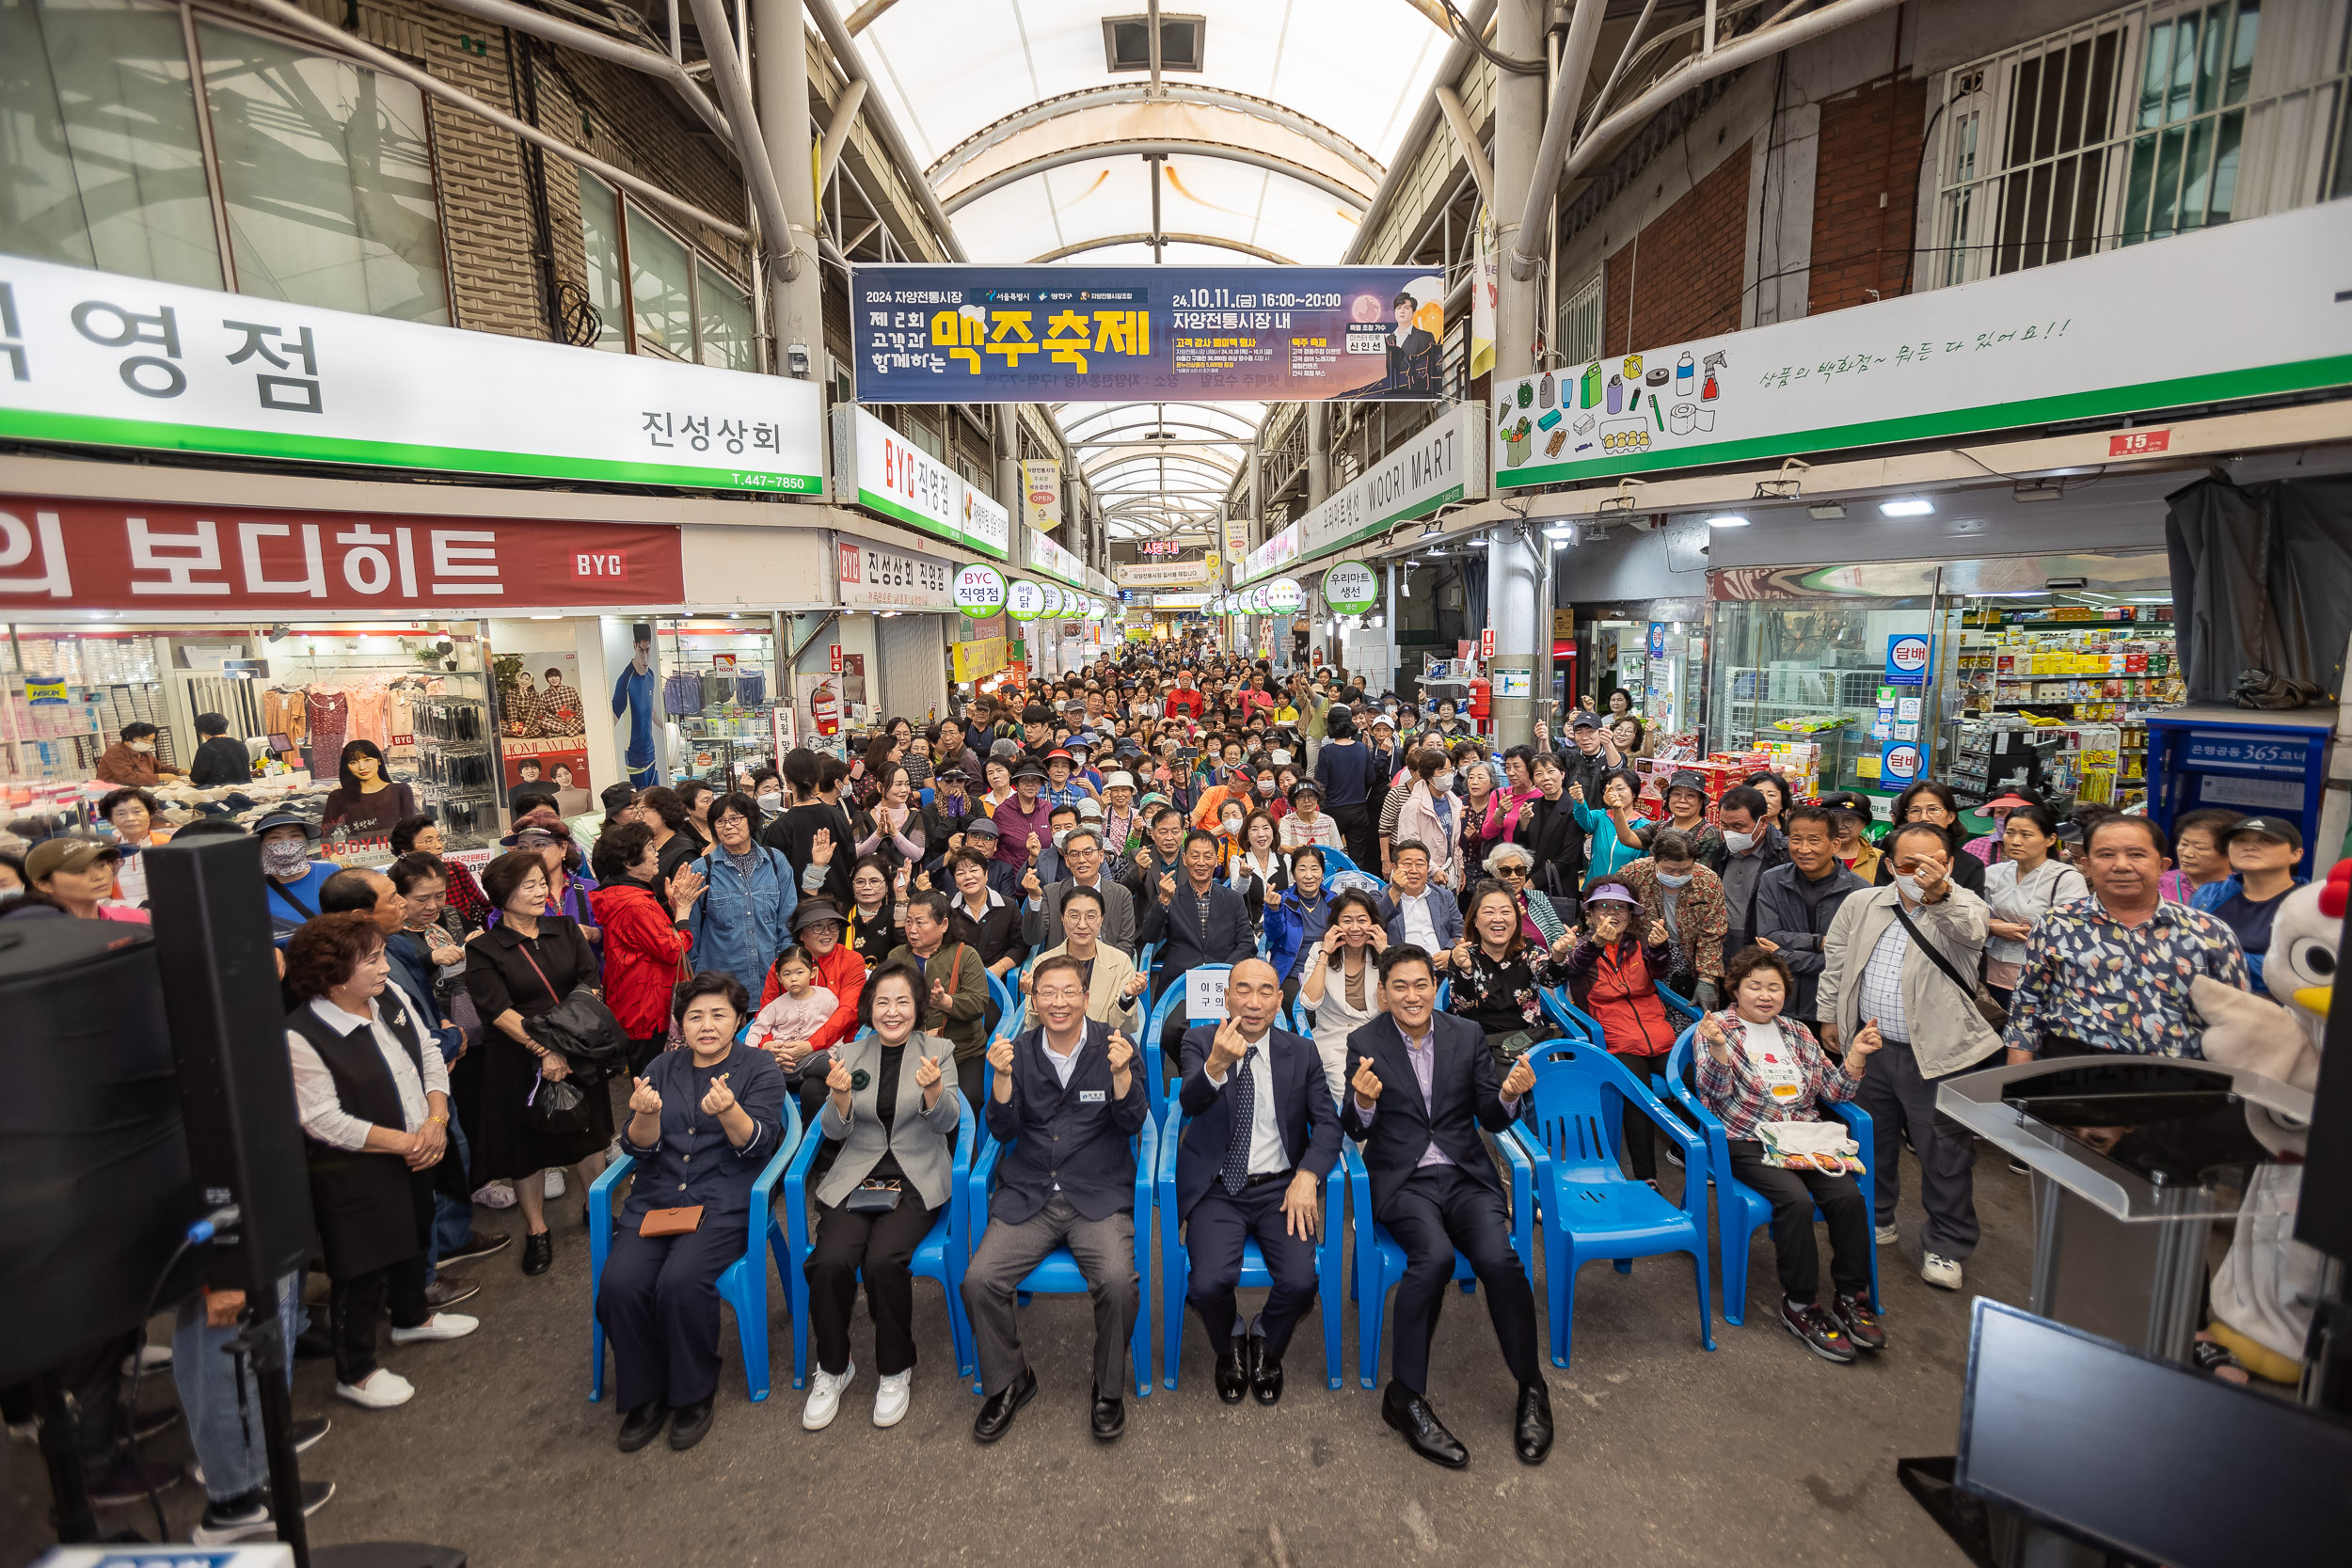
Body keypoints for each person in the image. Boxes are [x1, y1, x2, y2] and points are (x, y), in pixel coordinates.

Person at [1343, 944, 1548, 1468]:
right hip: (1404, 1181)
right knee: (1430, 1259)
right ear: (1383, 993)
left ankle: (1530, 1385)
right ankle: (1404, 1396)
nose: (1412, 996)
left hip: (1464, 1175)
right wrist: (1363, 1103)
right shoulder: (1364, 1041)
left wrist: (1507, 1095)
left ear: (1433, 988)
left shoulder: (1466, 1034)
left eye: (1420, 985)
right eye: (1400, 987)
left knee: (1500, 1261)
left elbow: (1490, 1115)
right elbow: (1353, 1125)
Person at [283, 911, 478, 1409]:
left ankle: (412, 1318)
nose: (384, 968)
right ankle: (356, 1370)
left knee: (415, 1232)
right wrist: (407, 1143)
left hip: (418, 1145)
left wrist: (434, 1121)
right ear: (331, 973)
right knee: (360, 1265)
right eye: (371, 960)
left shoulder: (388, 999)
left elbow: (429, 1054)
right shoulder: (301, 1035)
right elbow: (323, 1118)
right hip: (359, 1167)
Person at [963, 955, 1151, 1443]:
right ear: (1034, 999)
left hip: (1097, 1192)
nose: (1059, 1002)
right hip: (1031, 1193)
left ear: (1087, 998)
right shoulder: (1019, 1052)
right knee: (979, 1280)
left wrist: (1123, 1076)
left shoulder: (1116, 1045)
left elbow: (1133, 1124)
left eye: (1070, 992)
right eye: (1049, 992)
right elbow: (1002, 1132)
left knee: (1116, 1281)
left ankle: (1107, 1387)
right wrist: (1001, 1082)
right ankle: (1010, 1381)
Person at [598, 971, 786, 1451]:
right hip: (657, 1200)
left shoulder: (759, 1067)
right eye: (695, 1016)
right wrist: (644, 1116)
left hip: (722, 1199)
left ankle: (693, 1393)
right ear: (680, 1023)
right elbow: (638, 1150)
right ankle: (645, 1394)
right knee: (620, 1284)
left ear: (739, 1020)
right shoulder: (662, 1066)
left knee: (680, 1282)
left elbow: (761, 1145)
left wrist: (729, 1112)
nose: (707, 1025)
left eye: (719, 1015)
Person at [1817, 821, 2004, 1293]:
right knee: (1870, 1139)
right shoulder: (1862, 903)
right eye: (1906, 864)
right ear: (1888, 863)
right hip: (1872, 1050)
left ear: (1947, 863)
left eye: (1932, 863)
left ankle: (1947, 1241)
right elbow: (1836, 959)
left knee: (1944, 1152)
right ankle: (1877, 1215)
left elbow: (1972, 929)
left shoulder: (1962, 906)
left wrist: (1940, 892)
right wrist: (1831, 1017)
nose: (1918, 873)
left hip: (1938, 1056)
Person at [1692, 947, 1885, 1364]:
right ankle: (1800, 1304)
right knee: (1795, 1202)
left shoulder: (1798, 1032)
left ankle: (1852, 1295)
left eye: (1774, 988)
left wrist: (1856, 1056)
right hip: (1745, 1137)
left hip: (1802, 1137)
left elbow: (1833, 1093)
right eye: (1754, 986)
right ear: (1736, 990)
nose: (1765, 995)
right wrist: (1721, 1050)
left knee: (1848, 1199)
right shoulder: (1716, 1027)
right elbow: (1714, 1096)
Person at [799, 961, 963, 1433]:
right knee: (830, 1259)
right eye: (883, 1002)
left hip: (915, 1174)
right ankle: (833, 1367)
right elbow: (832, 1132)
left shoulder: (939, 1050)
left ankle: (895, 1368)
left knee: (884, 1260)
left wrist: (934, 1091)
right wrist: (841, 1101)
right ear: (869, 1008)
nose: (893, 1012)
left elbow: (948, 1123)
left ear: (918, 1007)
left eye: (903, 1002)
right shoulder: (849, 1054)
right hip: (859, 1174)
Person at [1173, 958, 1342, 1405]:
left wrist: (1307, 1174)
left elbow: (1327, 1125)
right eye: (1242, 990)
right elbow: (1189, 1101)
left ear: (1279, 1000)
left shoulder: (1300, 1052)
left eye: (1265, 991)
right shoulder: (1200, 1040)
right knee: (1207, 1284)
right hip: (1217, 1186)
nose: (1252, 1002)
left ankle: (1267, 1338)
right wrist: (1215, 1067)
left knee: (1302, 1282)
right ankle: (1229, 1338)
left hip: (1280, 1187)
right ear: (1226, 998)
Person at [464, 849, 609, 1276]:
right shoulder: (486, 949)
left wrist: (564, 1044)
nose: (540, 890)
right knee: (525, 1150)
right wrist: (547, 1051)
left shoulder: (564, 928)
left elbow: (588, 983)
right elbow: (499, 1011)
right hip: (517, 1061)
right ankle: (536, 1229)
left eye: (542, 882)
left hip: (577, 1047)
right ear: (502, 894)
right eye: (528, 884)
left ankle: (594, 1209)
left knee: (590, 1133)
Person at [2003, 816, 2249, 1063]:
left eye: (2136, 855)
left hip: (2178, 1073)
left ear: (2163, 865)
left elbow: (2237, 1019)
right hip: (2072, 1069)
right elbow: (2027, 1004)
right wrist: (2015, 1082)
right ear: (2087, 865)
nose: (2121, 865)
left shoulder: (2209, 932)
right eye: (2106, 855)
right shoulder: (2056, 923)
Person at [1560, 880, 1682, 1180]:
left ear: (1630, 915)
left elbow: (1660, 972)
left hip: (1659, 1033)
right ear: (1590, 914)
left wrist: (1659, 948)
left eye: (1620, 907)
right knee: (1637, 1092)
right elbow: (1572, 970)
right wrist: (1596, 944)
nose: (1612, 913)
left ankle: (1687, 1151)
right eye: (1604, 906)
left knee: (1693, 1076)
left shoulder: (1640, 942)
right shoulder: (1581, 946)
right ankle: (1646, 1177)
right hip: (1615, 1037)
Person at [589, 822, 707, 1071]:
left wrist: (672, 909)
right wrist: (684, 911)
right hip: (648, 1008)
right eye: (651, 848)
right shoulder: (636, 903)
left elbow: (648, 939)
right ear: (629, 863)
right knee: (654, 1082)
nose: (657, 855)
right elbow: (674, 950)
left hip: (633, 1001)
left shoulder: (621, 895)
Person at [1138, 828, 1258, 1065]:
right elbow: (1150, 936)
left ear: (1216, 859)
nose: (1201, 862)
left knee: (1243, 1029)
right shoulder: (1171, 894)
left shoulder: (1232, 899)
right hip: (1180, 985)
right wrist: (1162, 901)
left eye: (1207, 856)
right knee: (1171, 1030)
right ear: (1184, 859)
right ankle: (1194, 1071)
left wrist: (1226, 972)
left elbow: (1247, 942)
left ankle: (1217, 1075)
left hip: (1225, 985)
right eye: (1194, 856)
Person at [1753, 805, 1870, 1034]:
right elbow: (1767, 937)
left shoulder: (1860, 891)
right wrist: (1818, 943)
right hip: (1778, 1002)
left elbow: (1850, 960)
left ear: (1834, 844)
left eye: (1814, 840)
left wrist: (1782, 955)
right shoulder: (1773, 880)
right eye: (1796, 839)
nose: (1804, 849)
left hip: (1831, 1008)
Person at [684, 791, 804, 998]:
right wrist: (695, 980)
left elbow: (787, 921)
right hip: (721, 986)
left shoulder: (775, 862)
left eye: (735, 819)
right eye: (720, 821)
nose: (728, 826)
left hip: (771, 980)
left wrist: (788, 969)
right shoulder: (702, 870)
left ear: (752, 820)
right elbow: (692, 931)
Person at [1440, 880, 1569, 1056]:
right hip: (1481, 1046)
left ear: (1516, 919)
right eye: (1488, 912)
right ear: (1475, 921)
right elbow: (1462, 1007)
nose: (1498, 919)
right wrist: (1466, 972)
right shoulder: (1463, 955)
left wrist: (1558, 956)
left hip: (1528, 1042)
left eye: (1506, 912)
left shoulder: (1529, 951)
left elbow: (1553, 979)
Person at [1981, 803, 2089, 1010]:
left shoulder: (2066, 879)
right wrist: (1993, 927)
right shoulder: (1995, 873)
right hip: (1990, 974)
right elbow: (1973, 915)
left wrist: (2031, 931)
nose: (2015, 841)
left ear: (2050, 839)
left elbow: (2074, 934)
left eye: (2026, 835)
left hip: (2040, 978)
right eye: (2010, 833)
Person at [886, 891, 989, 1101]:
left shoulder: (965, 954)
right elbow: (884, 1005)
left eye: (920, 923)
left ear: (943, 924)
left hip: (961, 1052)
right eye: (908, 922)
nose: (912, 930)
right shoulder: (896, 957)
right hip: (909, 1051)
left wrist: (945, 1002)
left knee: (969, 1098)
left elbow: (978, 1004)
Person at [1613, 831, 1729, 1007]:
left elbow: (1713, 932)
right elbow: (1611, 909)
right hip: (1641, 957)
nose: (1676, 876)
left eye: (1685, 870)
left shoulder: (1708, 881)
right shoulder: (1633, 873)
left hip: (1691, 959)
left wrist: (1707, 977)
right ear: (1655, 860)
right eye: (1669, 870)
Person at [1020, 882, 1147, 1041]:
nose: (1082, 924)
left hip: (1102, 1050)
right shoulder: (1043, 963)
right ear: (1062, 918)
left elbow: (1126, 1028)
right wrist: (1034, 997)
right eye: (1073, 916)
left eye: (1091, 916)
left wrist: (1126, 997)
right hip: (1055, 1049)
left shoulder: (1120, 963)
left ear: (1101, 919)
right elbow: (1033, 1025)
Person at [2202, 816, 2309, 996]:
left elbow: (2303, 970)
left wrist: (2215, 955)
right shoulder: (2209, 894)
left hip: (2277, 1013)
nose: (2249, 847)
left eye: (2266, 840)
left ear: (2296, 854)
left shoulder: (2310, 904)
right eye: (2239, 840)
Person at [1022, 824, 1136, 958]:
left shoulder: (1120, 894)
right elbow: (1032, 939)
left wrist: (1103, 968)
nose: (1082, 860)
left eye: (1088, 853)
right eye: (1074, 854)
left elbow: (1126, 944)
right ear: (1067, 860)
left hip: (1107, 968)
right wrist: (1035, 898)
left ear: (1101, 856)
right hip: (1062, 967)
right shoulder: (1051, 892)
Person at [1710, 785, 1788, 959]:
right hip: (1723, 945)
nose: (1731, 833)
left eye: (1739, 826)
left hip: (1763, 948)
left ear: (1763, 822)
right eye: (1725, 825)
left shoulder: (1783, 856)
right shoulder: (1721, 851)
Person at [391, 816, 488, 929]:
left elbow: (486, 908)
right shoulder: (395, 882)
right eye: (429, 841)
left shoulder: (457, 870)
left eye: (439, 839)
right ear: (405, 849)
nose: (439, 846)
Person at [24, 834, 149, 923]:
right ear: (44, 885)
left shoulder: (135, 919)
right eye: (80, 871)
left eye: (101, 865)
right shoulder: (40, 938)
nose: (99, 876)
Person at [1313, 711, 1377, 871]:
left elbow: (1321, 784)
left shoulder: (1327, 751)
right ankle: (1357, 890)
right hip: (1358, 809)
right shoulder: (1362, 749)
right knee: (1357, 858)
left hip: (1332, 810)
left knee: (1329, 856)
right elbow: (1371, 778)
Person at [257, 813, 337, 937]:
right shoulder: (251, 888)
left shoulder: (331, 873)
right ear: (260, 846)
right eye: (275, 838)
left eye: (295, 835)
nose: (286, 843)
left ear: (307, 843)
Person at [1392, 749, 1462, 889]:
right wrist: (1434, 869)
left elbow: (1454, 841)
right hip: (1422, 876)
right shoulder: (1414, 806)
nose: (1448, 776)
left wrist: (1460, 867)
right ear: (1429, 776)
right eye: (1442, 772)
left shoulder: (1453, 801)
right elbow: (1408, 845)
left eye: (1450, 771)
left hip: (1449, 872)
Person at [1570, 771, 1652, 888]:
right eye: (1610, 790)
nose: (1615, 794)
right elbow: (1584, 819)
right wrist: (1580, 801)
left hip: (1626, 893)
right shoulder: (1601, 817)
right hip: (1595, 889)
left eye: (1620, 788)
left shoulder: (1645, 826)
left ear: (1634, 793)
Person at [1381, 840, 1464, 953]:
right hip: (1402, 964)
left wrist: (1450, 954)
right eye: (1407, 864)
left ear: (1428, 867)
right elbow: (1376, 921)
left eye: (1420, 864)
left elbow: (1460, 931)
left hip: (1441, 965)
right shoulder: (1381, 896)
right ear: (1394, 867)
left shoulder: (1444, 896)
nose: (1414, 871)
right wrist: (1396, 891)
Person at [321, 740, 416, 837]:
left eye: (367, 760)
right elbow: (326, 834)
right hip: (355, 850)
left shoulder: (401, 790)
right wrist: (332, 852)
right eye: (353, 762)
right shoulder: (338, 796)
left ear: (379, 760)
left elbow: (410, 831)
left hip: (393, 850)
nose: (362, 767)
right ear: (347, 766)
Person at [2162, 806, 2243, 903]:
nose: (2187, 854)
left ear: (2231, 853)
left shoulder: (2245, 892)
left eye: (2199, 848)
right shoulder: (2158, 884)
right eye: (2184, 844)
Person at [94, 721, 183, 786]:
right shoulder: (116, 752)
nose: (149, 743)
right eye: (145, 739)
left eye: (151, 740)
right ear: (129, 737)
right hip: (118, 795)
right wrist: (160, 777)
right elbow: (128, 776)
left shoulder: (143, 752)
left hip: (139, 791)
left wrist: (179, 771)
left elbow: (159, 767)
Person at [187, 711, 254, 788]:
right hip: (246, 789)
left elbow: (197, 778)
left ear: (202, 731)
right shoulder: (241, 744)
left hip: (222, 792)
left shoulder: (206, 748)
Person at [1279, 780, 1341, 852]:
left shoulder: (1328, 821)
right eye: (1301, 796)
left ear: (1317, 798)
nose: (1306, 801)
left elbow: (1336, 850)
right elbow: (1283, 846)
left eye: (1311, 795)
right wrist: (1295, 850)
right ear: (1294, 800)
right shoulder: (1287, 821)